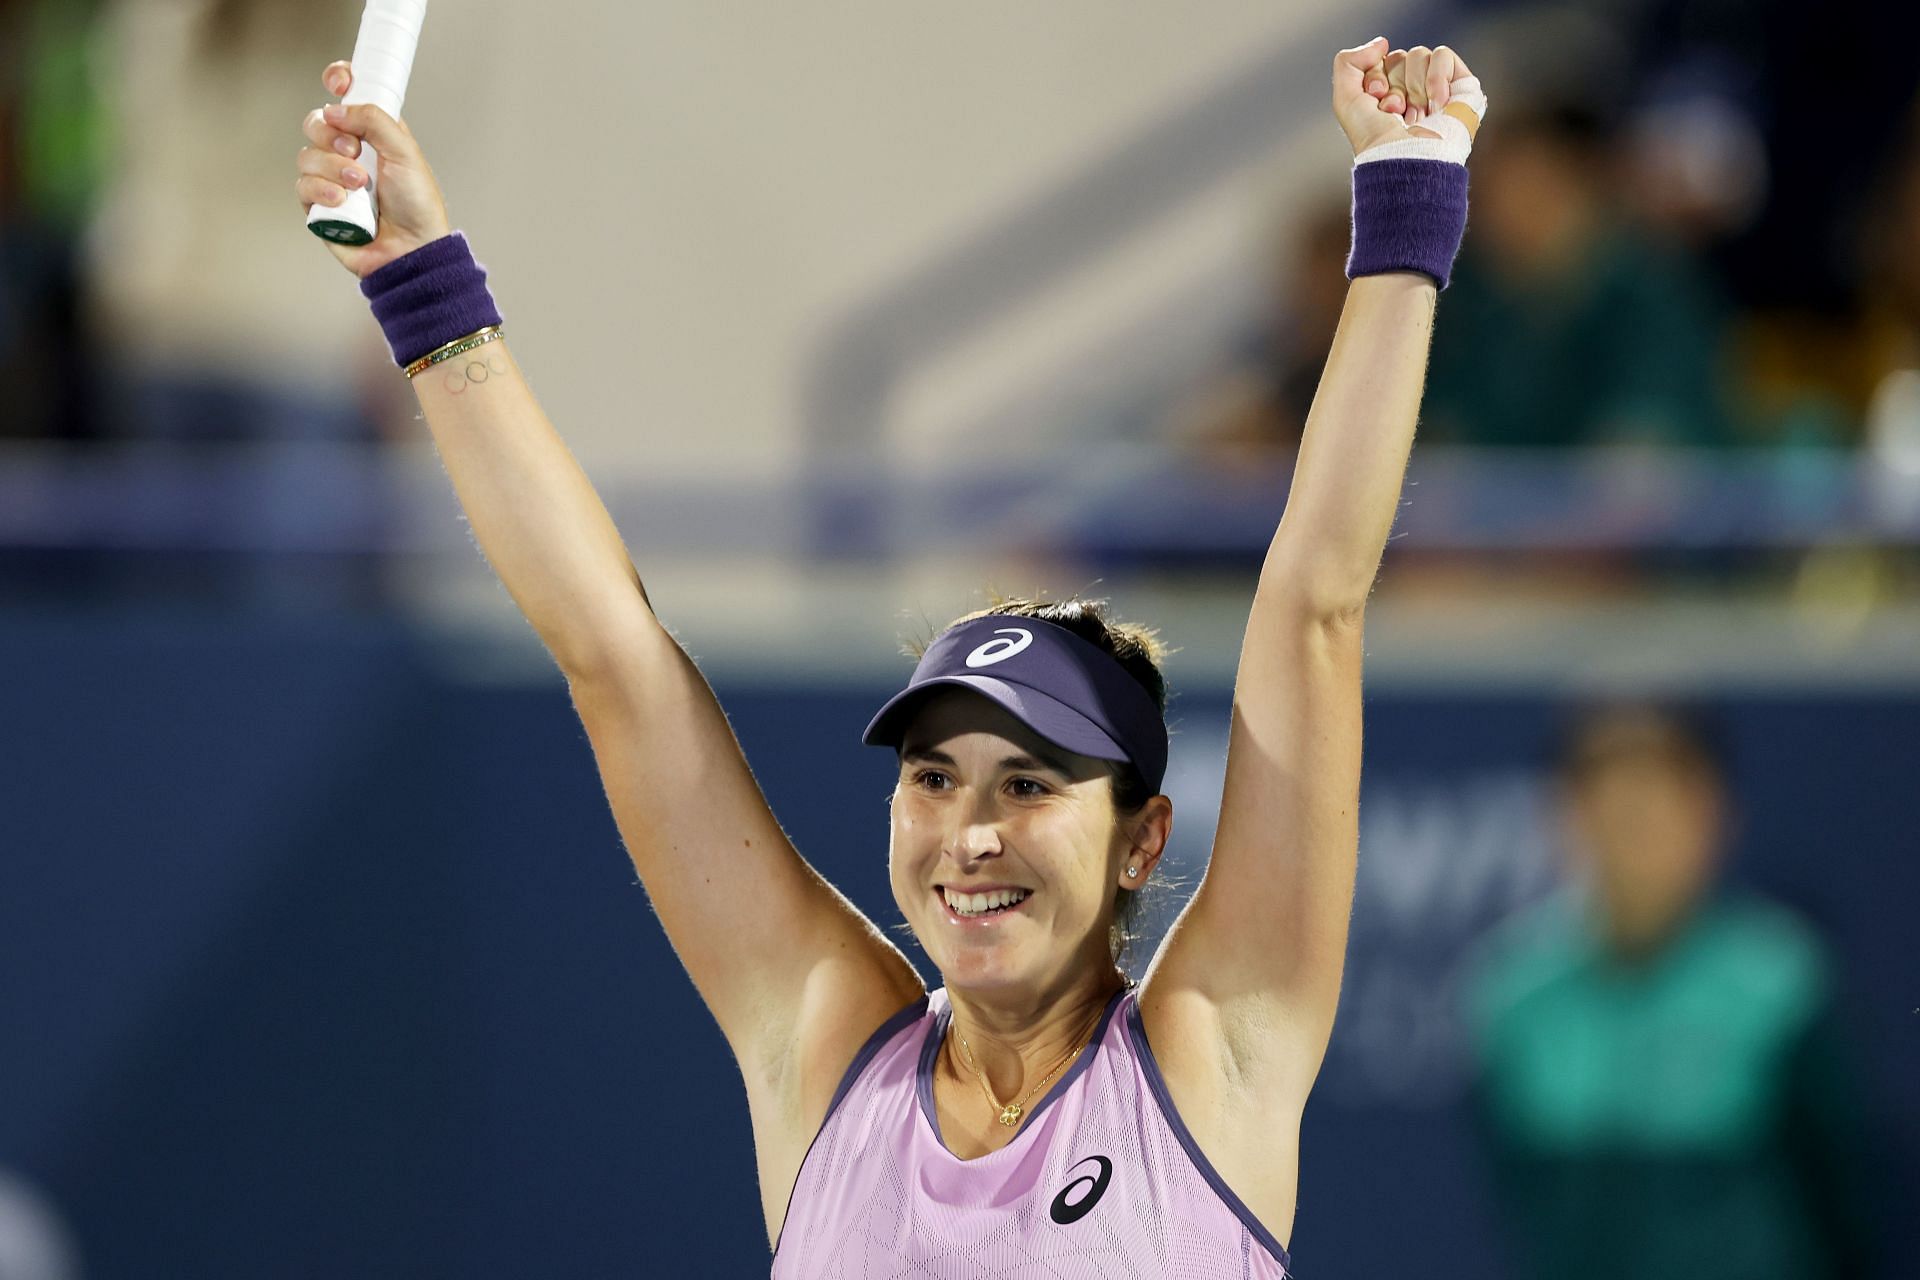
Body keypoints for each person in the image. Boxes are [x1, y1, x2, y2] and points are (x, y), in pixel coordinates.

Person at [296, 36, 1487, 1276]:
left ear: (1143, 838)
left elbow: (1312, 604)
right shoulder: (827, 1050)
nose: (969, 832)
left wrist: (1406, 194)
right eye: (935, 776)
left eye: (1028, 783)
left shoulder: (1213, 1052)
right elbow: (611, 653)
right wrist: (421, 280)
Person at [1464, 703, 1883, 1280]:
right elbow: (1520, 1200)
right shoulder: (1514, 999)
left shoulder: (1782, 986)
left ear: (1713, 816)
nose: (1636, 833)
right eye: (1614, 808)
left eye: (1659, 806)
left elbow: (1841, 1202)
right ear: (1565, 817)